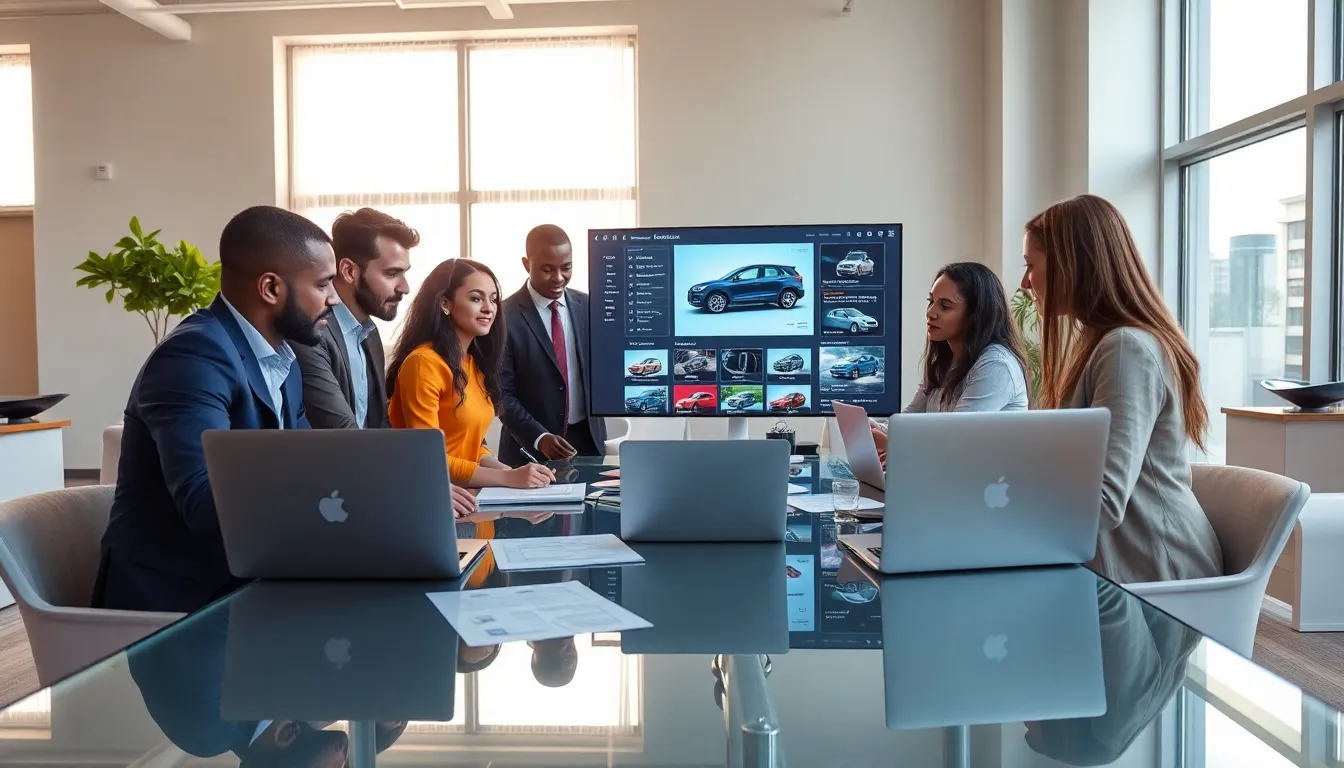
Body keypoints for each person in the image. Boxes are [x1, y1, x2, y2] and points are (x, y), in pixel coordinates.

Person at [92, 206, 339, 613]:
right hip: (178, 603)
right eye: (323, 284)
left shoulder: (284, 360)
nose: (333, 299)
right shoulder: (194, 357)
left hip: (249, 581)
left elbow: (312, 464)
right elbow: (206, 503)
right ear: (271, 288)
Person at [1021, 193, 1222, 584]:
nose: (1025, 282)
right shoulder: (1101, 343)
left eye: (1031, 266)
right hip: (1118, 561)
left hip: (1155, 575)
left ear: (1071, 264)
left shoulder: (1126, 349)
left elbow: (1104, 503)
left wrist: (1002, 503)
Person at [292, 208, 475, 518]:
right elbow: (342, 433)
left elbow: (379, 426)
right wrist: (419, 484)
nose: (404, 287)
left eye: (404, 273)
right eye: (392, 274)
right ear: (349, 271)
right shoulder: (314, 334)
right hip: (325, 505)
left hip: (367, 496)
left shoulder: (369, 334)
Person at [387, 258, 554, 489]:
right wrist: (507, 478)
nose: (489, 308)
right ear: (445, 303)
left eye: (493, 299)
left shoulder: (474, 363)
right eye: (476, 298)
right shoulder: (423, 364)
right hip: (439, 502)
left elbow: (471, 445)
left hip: (474, 500)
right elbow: (427, 458)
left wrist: (515, 473)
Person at [871, 261, 1029, 464]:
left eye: (944, 306)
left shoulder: (996, 366)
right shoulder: (947, 361)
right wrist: (874, 429)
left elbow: (954, 441)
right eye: (931, 301)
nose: (930, 312)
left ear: (975, 315)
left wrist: (890, 445)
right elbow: (910, 419)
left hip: (986, 488)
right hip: (952, 479)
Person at [498, 224, 608, 464]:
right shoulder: (503, 317)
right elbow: (501, 394)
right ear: (527, 264)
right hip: (529, 450)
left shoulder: (590, 306)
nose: (559, 278)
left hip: (588, 443)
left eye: (566, 268)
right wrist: (539, 436)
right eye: (547, 269)